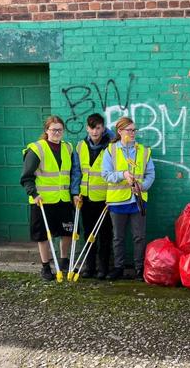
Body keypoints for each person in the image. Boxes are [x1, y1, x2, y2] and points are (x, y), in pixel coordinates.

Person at [102, 116, 155, 281]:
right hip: (117, 200)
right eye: (129, 130)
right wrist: (123, 175)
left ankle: (139, 269)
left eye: (134, 130)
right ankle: (119, 267)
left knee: (139, 236)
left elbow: (150, 173)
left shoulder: (143, 151)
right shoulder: (111, 150)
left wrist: (143, 186)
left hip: (137, 200)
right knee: (118, 237)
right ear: (120, 131)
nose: (133, 133)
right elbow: (106, 175)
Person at [20, 116, 74, 281]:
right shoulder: (36, 149)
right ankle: (45, 267)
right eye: (53, 130)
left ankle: (64, 261)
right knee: (43, 235)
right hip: (42, 200)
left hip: (63, 199)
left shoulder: (68, 148)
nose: (57, 133)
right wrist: (34, 194)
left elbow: (70, 174)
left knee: (67, 232)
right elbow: (26, 177)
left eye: (59, 130)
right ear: (46, 131)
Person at [70, 113, 115, 279]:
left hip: (105, 199)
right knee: (88, 233)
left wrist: (113, 196)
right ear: (87, 128)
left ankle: (103, 268)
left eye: (98, 128)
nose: (94, 131)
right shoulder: (80, 146)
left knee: (105, 234)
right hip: (86, 199)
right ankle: (90, 267)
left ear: (103, 128)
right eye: (91, 128)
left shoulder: (111, 146)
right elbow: (76, 171)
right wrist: (75, 193)